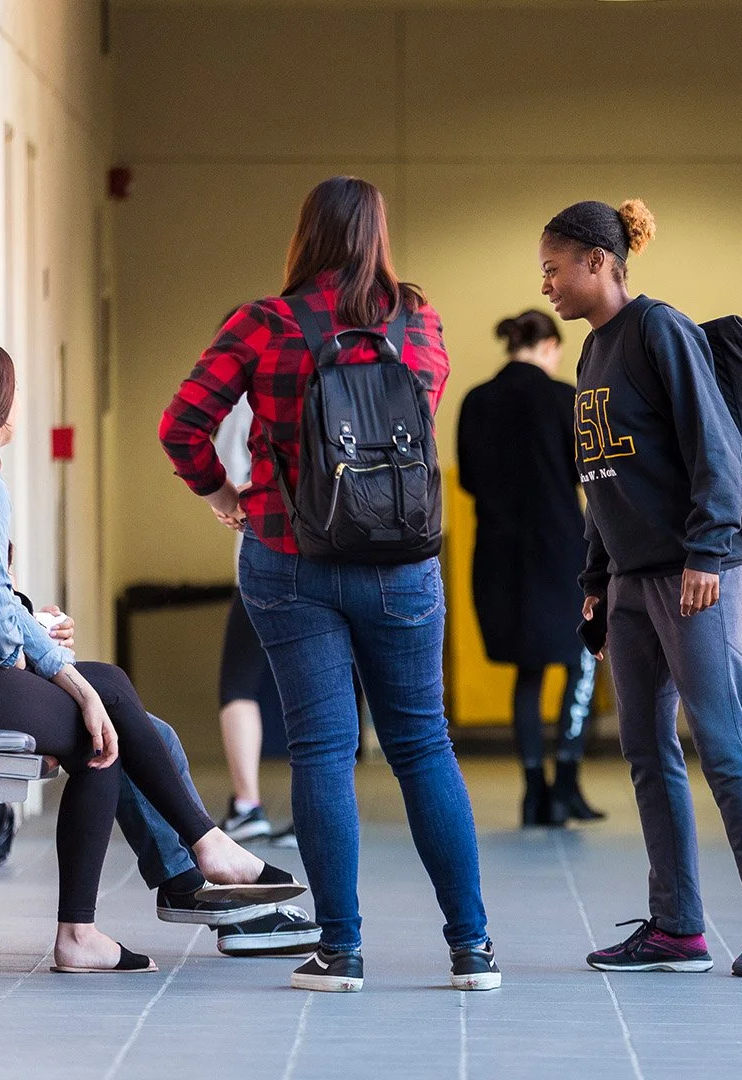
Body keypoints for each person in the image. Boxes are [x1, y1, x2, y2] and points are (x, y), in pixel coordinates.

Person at [0, 336, 317, 959]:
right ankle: (135, 896)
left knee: (108, 694)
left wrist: (65, 673)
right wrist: (65, 677)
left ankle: (188, 861)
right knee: (101, 730)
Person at [160, 175, 498, 993]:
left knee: (321, 749)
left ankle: (340, 951)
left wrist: (223, 494)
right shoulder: (418, 321)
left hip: (289, 556)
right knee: (423, 745)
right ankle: (473, 950)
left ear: (305, 234)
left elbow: (182, 424)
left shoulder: (263, 323)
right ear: (378, 236)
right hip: (401, 562)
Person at [539, 199, 742, 977]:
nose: (546, 285)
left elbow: (713, 451)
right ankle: (677, 928)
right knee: (646, 753)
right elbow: (602, 479)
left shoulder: (662, 331)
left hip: (695, 574)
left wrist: (707, 554)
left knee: (720, 743)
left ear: (599, 261)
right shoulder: (592, 353)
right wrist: (596, 580)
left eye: (554, 269)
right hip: (630, 581)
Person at [458, 310, 604, 827]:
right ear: (548, 346)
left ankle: (533, 790)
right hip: (562, 551)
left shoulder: (476, 401)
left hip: (499, 556)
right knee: (582, 661)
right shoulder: (566, 399)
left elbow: (468, 479)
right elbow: (589, 471)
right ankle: (565, 784)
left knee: (528, 668)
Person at [211, 392, 297, 848]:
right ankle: (317, 811)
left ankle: (247, 805)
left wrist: (229, 504)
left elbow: (223, 469)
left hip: (265, 559)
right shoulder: (343, 376)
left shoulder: (247, 400)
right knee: (319, 689)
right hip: (337, 559)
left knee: (239, 683)